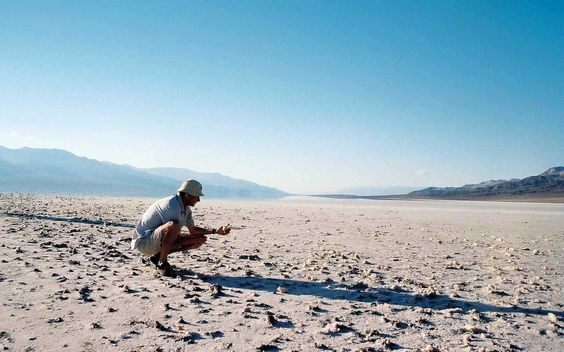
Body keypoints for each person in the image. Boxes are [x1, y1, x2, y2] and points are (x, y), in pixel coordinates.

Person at [131, 179, 231, 276]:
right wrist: (181, 239)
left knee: (199, 239)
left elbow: (193, 230)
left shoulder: (185, 209)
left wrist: (215, 231)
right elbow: (171, 230)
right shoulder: (171, 205)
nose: (199, 200)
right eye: (197, 196)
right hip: (144, 242)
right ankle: (162, 263)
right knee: (173, 225)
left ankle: (158, 257)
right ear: (187, 195)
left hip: (156, 241)